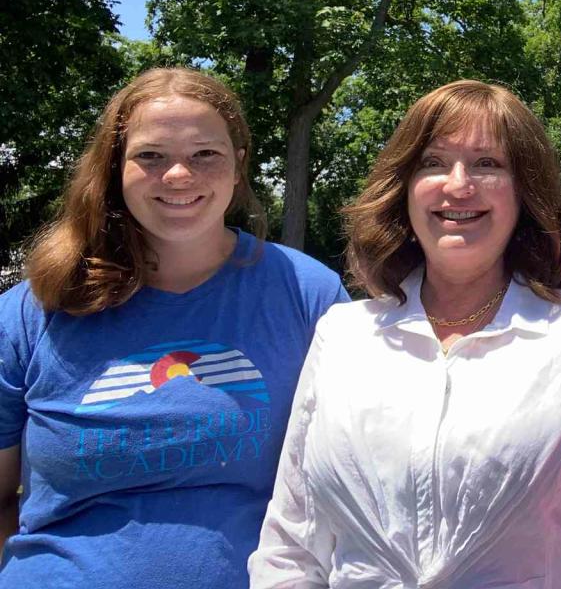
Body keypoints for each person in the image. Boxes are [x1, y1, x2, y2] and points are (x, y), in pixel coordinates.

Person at [249, 80, 561, 588]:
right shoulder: (342, 335)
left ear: (525, 193)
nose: (458, 185)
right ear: (404, 187)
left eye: (488, 164)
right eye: (433, 162)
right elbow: (292, 546)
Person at [0, 67, 349, 588]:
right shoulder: (36, 308)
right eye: (151, 156)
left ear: (239, 165)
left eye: (205, 154)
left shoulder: (307, 295)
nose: (179, 175)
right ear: (116, 168)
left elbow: (351, 478)